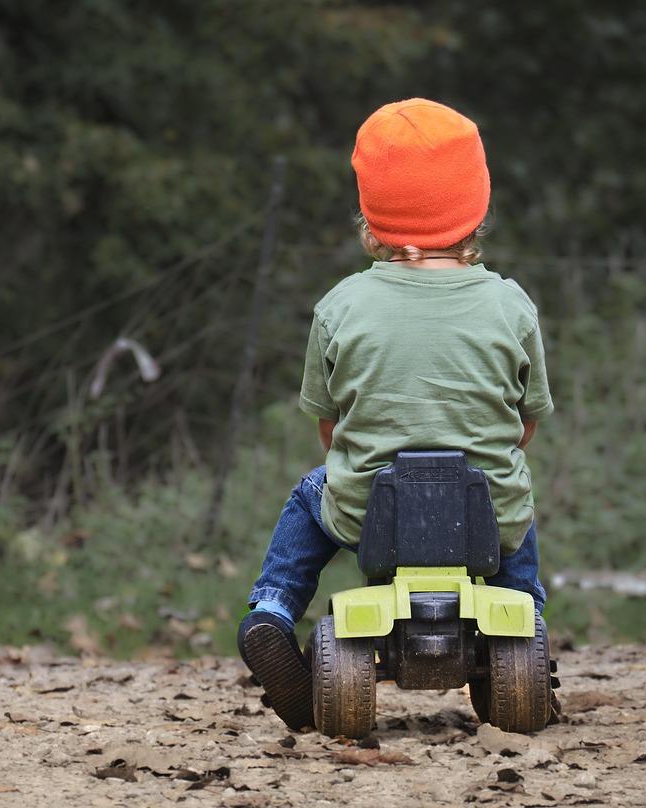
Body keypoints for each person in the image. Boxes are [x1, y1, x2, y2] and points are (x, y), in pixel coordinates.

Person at [237, 98, 555, 732]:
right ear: (476, 208)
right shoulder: (511, 306)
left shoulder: (340, 306)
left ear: (371, 216)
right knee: (513, 499)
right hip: (480, 515)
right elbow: (526, 423)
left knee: (311, 495)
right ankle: (528, 628)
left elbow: (331, 432)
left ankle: (270, 613)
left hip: (369, 509)